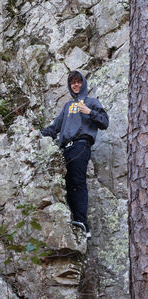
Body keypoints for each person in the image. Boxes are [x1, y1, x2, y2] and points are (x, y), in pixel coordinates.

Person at [41, 71, 109, 239]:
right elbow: (54, 128)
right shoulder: (67, 106)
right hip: (65, 148)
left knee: (77, 180)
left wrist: (89, 112)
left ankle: (82, 223)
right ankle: (75, 220)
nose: (76, 85)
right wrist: (37, 133)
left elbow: (104, 122)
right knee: (68, 183)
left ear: (83, 83)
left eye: (79, 81)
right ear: (70, 86)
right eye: (73, 83)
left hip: (81, 145)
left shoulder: (91, 102)